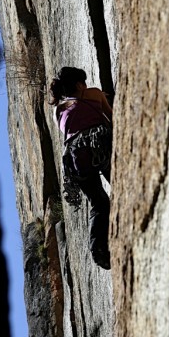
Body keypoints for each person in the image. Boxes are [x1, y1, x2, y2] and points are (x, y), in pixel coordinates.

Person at [49, 66, 113, 270]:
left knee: (99, 203)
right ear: (79, 84)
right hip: (98, 142)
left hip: (75, 158)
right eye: (82, 82)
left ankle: (98, 248)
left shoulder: (57, 110)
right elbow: (112, 119)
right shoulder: (93, 93)